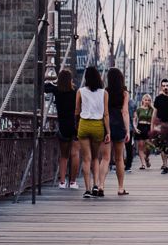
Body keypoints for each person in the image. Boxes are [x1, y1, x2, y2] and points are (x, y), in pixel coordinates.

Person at [75, 66, 109, 199]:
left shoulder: (80, 91)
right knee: (96, 158)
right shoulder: (104, 93)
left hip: (84, 124)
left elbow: (77, 111)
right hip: (98, 126)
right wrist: (108, 132)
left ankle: (87, 189)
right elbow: (106, 114)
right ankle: (96, 185)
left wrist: (77, 125)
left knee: (86, 158)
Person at [44, 68, 80, 189]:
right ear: (70, 80)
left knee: (64, 155)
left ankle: (62, 182)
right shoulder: (75, 92)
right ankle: (73, 182)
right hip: (75, 125)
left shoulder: (57, 90)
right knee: (75, 154)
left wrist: (54, 82)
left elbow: (45, 87)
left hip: (63, 126)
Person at [99, 68, 130, 197]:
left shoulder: (104, 92)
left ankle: (101, 186)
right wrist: (127, 130)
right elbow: (125, 112)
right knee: (119, 159)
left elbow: (104, 111)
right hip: (119, 125)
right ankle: (121, 188)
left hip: (106, 126)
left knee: (105, 158)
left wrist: (107, 129)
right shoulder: (124, 93)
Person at [151, 78, 168, 174]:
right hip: (161, 125)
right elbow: (154, 113)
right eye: (163, 86)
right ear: (161, 87)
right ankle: (165, 166)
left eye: (167, 85)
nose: (165, 87)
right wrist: (153, 126)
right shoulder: (158, 99)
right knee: (162, 146)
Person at [133, 93, 154, 170]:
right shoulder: (139, 109)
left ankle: (147, 158)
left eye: (149, 100)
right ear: (142, 100)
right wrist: (135, 128)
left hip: (149, 128)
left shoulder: (152, 110)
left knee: (148, 147)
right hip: (141, 127)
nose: (147, 101)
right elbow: (134, 119)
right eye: (145, 100)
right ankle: (143, 164)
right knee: (141, 147)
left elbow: (154, 120)